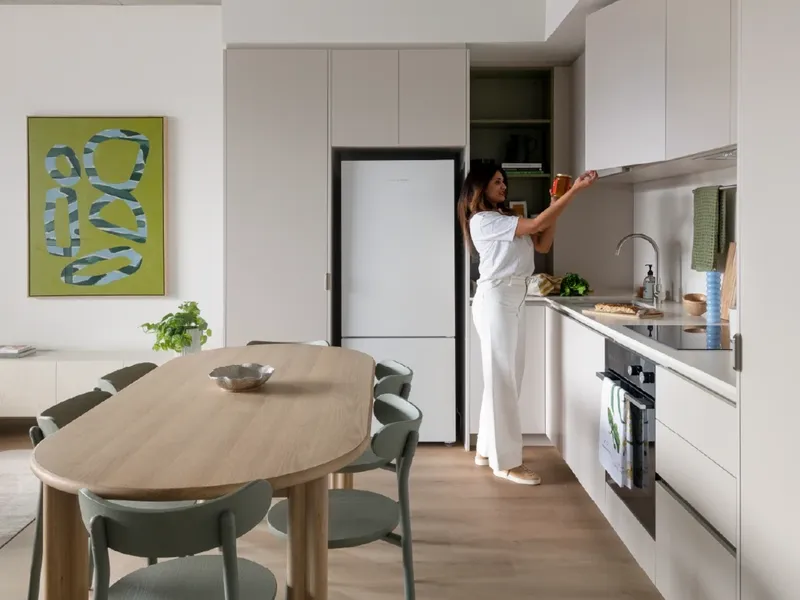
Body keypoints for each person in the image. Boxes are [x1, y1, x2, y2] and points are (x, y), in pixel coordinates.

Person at [457, 163, 598, 485]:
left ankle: (487, 450)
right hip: (497, 299)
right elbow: (536, 224)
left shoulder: (505, 219)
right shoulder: (483, 220)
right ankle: (506, 463)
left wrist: (556, 205)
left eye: (504, 181)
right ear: (480, 188)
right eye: (496, 182)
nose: (503, 186)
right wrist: (573, 193)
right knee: (504, 378)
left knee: (503, 377)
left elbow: (542, 243)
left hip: (513, 298)